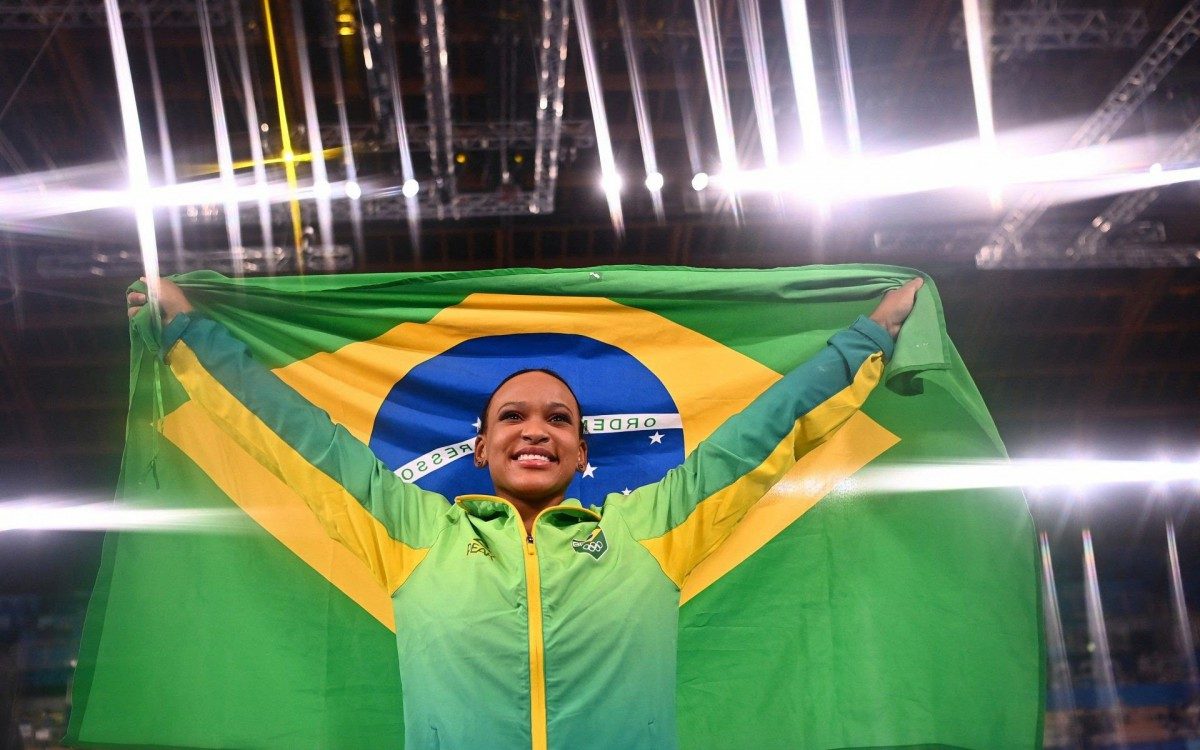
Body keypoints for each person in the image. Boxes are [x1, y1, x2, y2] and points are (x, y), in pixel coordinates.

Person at [127, 275, 923, 750]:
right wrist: (186, 331)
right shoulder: (412, 533)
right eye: (511, 417)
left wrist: (870, 337)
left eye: (559, 418)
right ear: (479, 449)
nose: (535, 427)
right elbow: (294, 435)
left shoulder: (651, 530)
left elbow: (761, 435)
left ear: (584, 455)